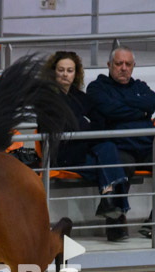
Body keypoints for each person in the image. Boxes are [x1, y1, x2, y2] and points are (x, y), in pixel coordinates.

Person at [86, 45, 155, 240]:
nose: (123, 68)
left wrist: (124, 105)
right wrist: (139, 110)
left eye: (128, 64)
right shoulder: (97, 87)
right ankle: (115, 225)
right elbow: (109, 110)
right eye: (119, 64)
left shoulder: (140, 86)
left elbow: (153, 101)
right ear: (109, 65)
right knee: (121, 169)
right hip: (118, 146)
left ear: (133, 66)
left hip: (145, 145)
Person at [44, 51, 129, 242]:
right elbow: (59, 127)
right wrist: (83, 123)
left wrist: (81, 124)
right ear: (53, 72)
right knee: (114, 164)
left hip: (85, 149)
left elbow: (99, 122)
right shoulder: (47, 98)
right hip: (63, 154)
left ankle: (108, 199)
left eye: (70, 70)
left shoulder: (79, 97)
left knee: (108, 148)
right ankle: (113, 207)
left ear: (76, 73)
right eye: (61, 70)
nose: (65, 74)